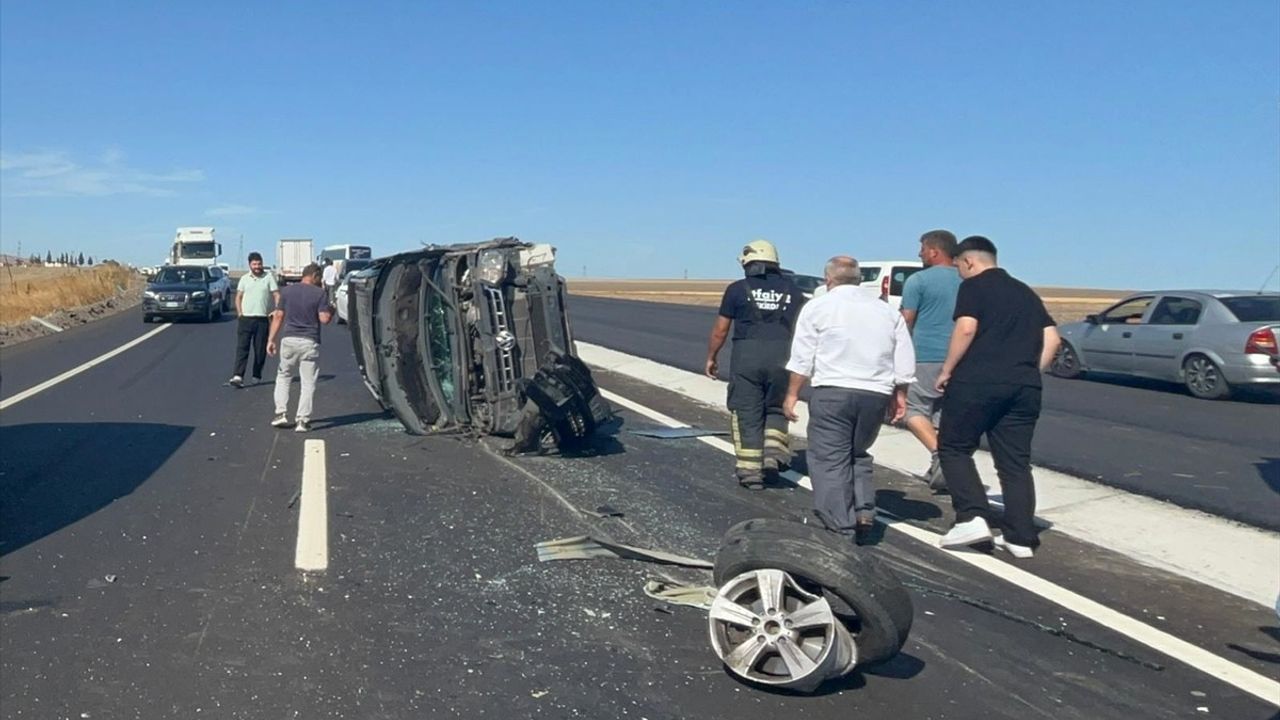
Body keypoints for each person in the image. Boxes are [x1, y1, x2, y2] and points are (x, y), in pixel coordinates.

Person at [935, 236, 1061, 559]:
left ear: (969, 262)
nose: (959, 273)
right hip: (1024, 385)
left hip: (977, 381)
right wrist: (1031, 371)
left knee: (953, 447)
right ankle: (1020, 536)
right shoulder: (1025, 292)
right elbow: (1053, 339)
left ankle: (971, 516)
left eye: (959, 267)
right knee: (1015, 462)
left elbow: (966, 329)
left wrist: (947, 369)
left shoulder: (974, 287)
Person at [784, 256, 915, 544]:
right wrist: (900, 394)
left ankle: (838, 527)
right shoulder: (885, 311)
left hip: (833, 392)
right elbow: (903, 356)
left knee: (830, 459)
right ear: (858, 279)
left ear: (828, 279)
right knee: (857, 451)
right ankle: (863, 510)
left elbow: (803, 356)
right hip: (875, 394)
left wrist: (792, 394)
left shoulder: (818, 307)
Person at [705, 240, 804, 488]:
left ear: (749, 264)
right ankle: (772, 456)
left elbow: (721, 330)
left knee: (747, 411)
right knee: (776, 407)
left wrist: (712, 357)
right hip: (783, 355)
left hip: (747, 357)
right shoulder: (794, 291)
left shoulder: (737, 289)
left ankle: (750, 472)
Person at [899, 230, 962, 491]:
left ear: (934, 251)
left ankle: (942, 457)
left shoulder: (919, 281)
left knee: (913, 410)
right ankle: (940, 470)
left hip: (926, 355)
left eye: (923, 248)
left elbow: (906, 320)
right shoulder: (966, 279)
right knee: (942, 415)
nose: (919, 253)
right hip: (961, 356)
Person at [267, 263, 334, 432]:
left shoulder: (287, 292)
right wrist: (331, 309)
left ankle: (281, 413)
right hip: (309, 342)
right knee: (308, 382)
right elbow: (324, 319)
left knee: (284, 376)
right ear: (315, 276)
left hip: (289, 339)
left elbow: (278, 316)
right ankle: (302, 421)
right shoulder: (320, 294)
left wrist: (271, 339)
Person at [229, 252, 280, 388]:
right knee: (242, 348)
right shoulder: (245, 279)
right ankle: (238, 376)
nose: (257, 266)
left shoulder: (268, 277)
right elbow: (238, 297)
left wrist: (277, 310)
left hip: (262, 319)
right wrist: (240, 313)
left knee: (260, 350)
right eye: (254, 264)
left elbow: (276, 295)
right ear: (250, 265)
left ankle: (256, 374)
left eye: (259, 264)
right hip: (246, 319)